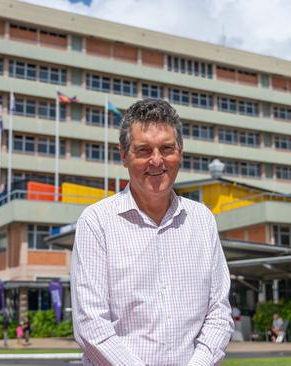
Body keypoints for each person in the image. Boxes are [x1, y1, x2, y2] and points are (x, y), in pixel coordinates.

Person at [71, 99, 234, 365]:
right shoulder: (96, 222)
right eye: (144, 150)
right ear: (124, 155)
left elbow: (218, 312)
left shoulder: (203, 220)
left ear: (180, 152)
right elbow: (91, 325)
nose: (157, 160)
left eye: (167, 148)